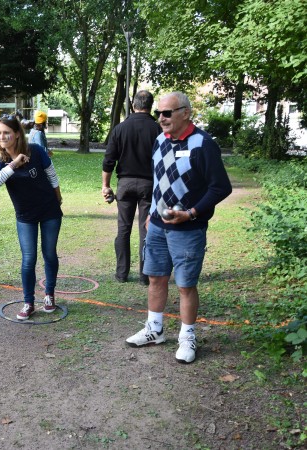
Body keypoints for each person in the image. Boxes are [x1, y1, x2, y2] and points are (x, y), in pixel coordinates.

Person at [125, 92, 232, 364]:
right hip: (158, 225)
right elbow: (158, 180)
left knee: (185, 285)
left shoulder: (202, 144)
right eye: (159, 113)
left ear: (185, 113)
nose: (161, 118)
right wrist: (151, 213)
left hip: (189, 228)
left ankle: (187, 337)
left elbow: (221, 187)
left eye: (167, 113)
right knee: (155, 278)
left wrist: (191, 213)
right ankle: (155, 329)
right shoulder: (160, 140)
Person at [0, 115, 63, 320]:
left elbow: (51, 174)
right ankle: (28, 302)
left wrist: (58, 198)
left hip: (49, 210)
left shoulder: (36, 151)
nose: (2, 136)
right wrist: (13, 164)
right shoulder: (0, 161)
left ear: (17, 134)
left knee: (49, 253)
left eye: (7, 133)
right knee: (29, 259)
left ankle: (49, 295)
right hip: (25, 215)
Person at [101, 90, 161, 285]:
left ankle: (121, 274)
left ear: (133, 104)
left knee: (123, 229)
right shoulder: (158, 129)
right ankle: (146, 275)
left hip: (125, 184)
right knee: (147, 229)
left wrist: (106, 186)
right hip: (149, 184)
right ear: (150, 106)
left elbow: (109, 160)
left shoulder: (120, 128)